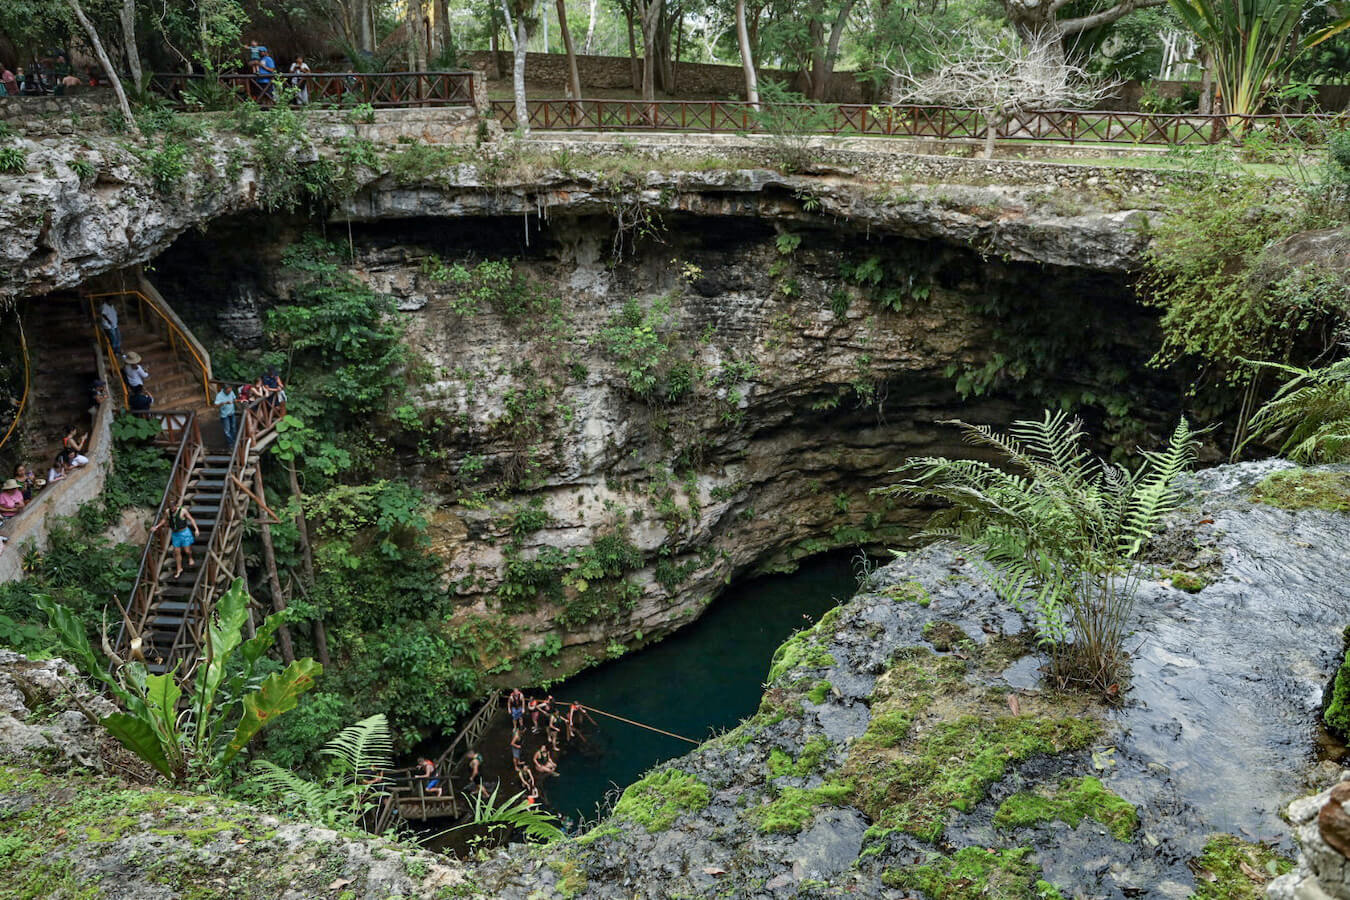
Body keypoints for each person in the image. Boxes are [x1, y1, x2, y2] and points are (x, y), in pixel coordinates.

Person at [152, 502, 199, 578]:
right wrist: (156, 526)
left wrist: (196, 529)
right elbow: (164, 520)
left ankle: (190, 557)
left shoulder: (183, 511)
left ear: (176, 506)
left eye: (173, 507)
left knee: (187, 550)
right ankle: (179, 569)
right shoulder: (168, 512)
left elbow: (191, 519)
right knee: (177, 552)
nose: (172, 509)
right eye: (171, 508)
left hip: (184, 532)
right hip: (175, 534)